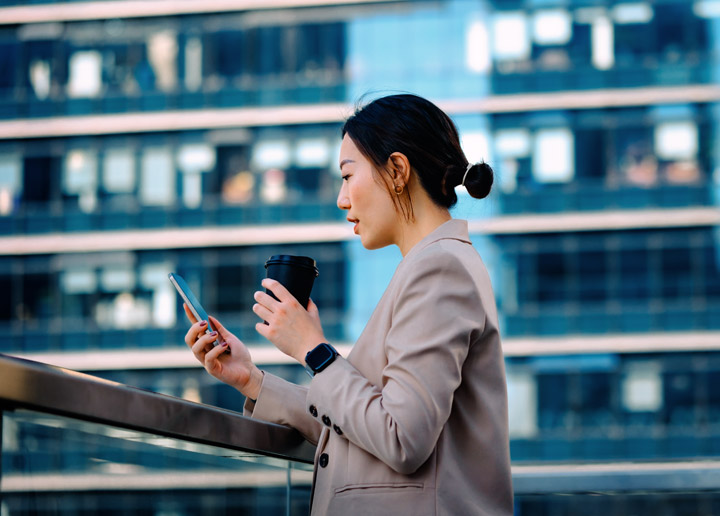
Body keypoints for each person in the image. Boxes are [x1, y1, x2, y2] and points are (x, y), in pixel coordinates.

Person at [184, 94, 514, 515]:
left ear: (397, 170)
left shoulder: (439, 268)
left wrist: (313, 349)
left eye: (347, 175)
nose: (342, 199)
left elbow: (401, 438)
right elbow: (358, 423)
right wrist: (251, 379)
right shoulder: (430, 266)